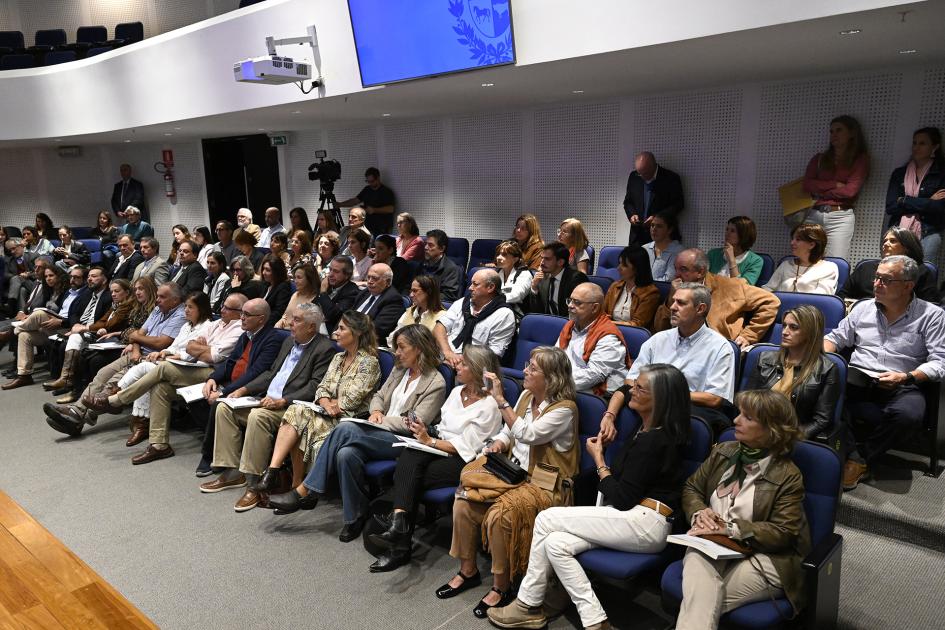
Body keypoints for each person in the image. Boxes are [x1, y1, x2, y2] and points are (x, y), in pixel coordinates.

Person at [488, 364, 691, 630]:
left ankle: (527, 604)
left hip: (645, 521)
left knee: (546, 518)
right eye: (635, 385)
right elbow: (622, 390)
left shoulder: (655, 440)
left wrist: (598, 460)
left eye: (641, 388)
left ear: (660, 399)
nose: (633, 391)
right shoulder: (646, 430)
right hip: (636, 518)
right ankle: (596, 621)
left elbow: (621, 498)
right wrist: (610, 415)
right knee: (556, 544)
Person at [268, 324, 446, 542]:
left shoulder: (435, 382)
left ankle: (305, 490)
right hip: (377, 429)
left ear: (419, 348)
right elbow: (379, 396)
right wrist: (377, 410)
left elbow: (417, 422)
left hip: (404, 441)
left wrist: (381, 422)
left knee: (345, 428)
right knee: (346, 454)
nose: (396, 353)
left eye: (401, 347)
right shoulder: (400, 369)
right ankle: (354, 517)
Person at [442, 346, 578, 619]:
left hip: (544, 484)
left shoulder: (565, 409)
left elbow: (528, 434)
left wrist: (501, 400)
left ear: (551, 377)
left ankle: (501, 587)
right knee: (464, 499)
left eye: (533, 368)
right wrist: (498, 444)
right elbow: (509, 432)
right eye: (526, 364)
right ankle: (468, 570)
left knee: (499, 515)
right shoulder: (527, 396)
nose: (525, 371)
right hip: (512, 473)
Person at [676, 389, 810, 630]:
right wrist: (700, 511)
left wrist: (730, 529)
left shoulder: (788, 475)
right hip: (711, 542)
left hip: (765, 556)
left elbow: (783, 532)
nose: (736, 420)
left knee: (700, 601)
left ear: (772, 429)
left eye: (748, 417)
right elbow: (692, 488)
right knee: (701, 590)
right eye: (739, 413)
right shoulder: (723, 452)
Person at [369, 346, 503, 572]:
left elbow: (467, 447)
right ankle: (399, 528)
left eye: (463, 364)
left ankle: (400, 539)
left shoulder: (490, 405)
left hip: (465, 461)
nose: (456, 366)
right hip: (438, 447)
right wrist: (426, 432)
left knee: (409, 475)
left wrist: (428, 441)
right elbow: (442, 429)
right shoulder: (456, 393)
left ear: (479, 370)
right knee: (410, 455)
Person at [198, 302, 336, 510]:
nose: (290, 323)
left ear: (311, 326)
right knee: (224, 406)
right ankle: (233, 471)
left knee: (257, 417)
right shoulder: (289, 342)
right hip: (265, 399)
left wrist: (283, 400)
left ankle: (254, 485)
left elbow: (315, 386)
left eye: (297, 320)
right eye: (291, 318)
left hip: (289, 407)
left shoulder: (324, 348)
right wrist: (244, 390)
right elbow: (270, 373)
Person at [825, 255, 945, 490]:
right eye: (876, 278)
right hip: (857, 378)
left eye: (886, 280)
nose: (877, 284)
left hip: (902, 382)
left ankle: (860, 456)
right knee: (824, 392)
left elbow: (940, 362)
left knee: (908, 414)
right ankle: (853, 455)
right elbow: (835, 338)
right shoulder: (863, 308)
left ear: (908, 285)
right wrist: (827, 358)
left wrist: (908, 376)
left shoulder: (932, 315)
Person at [91, 294, 254, 460]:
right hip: (194, 366)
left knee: (162, 368)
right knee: (160, 388)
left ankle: (117, 400)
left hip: (213, 373)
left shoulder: (238, 329)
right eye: (223, 306)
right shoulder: (216, 324)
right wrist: (198, 348)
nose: (222, 310)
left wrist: (199, 348)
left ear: (240, 312)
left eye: (228, 308)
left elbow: (215, 357)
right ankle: (159, 445)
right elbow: (190, 346)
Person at [245, 311, 380, 502]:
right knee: (295, 412)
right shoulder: (338, 358)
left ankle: (299, 488)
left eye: (341, 328)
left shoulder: (369, 362)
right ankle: (275, 473)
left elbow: (351, 401)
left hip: (347, 421)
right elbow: (321, 388)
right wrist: (326, 401)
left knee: (299, 421)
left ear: (357, 332)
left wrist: (330, 402)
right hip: (326, 412)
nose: (336, 332)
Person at [42, 282, 187, 436]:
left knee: (115, 380)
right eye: (157, 296)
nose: (157, 300)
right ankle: (76, 416)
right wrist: (136, 347)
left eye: (162, 297)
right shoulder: (158, 310)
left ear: (176, 300)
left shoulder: (180, 315)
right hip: (138, 352)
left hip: (154, 358)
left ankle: (77, 414)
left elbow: (161, 343)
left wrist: (137, 338)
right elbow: (138, 334)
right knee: (103, 373)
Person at [98, 292, 215, 447]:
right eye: (185, 306)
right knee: (151, 378)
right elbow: (174, 346)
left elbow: (197, 353)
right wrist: (163, 352)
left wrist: (174, 356)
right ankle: (140, 423)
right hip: (174, 362)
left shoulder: (207, 326)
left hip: (194, 368)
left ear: (201, 309)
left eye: (190, 307)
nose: (186, 310)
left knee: (145, 367)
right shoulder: (187, 325)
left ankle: (117, 395)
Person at [619, 283, 736, 434]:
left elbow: (714, 398)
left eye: (681, 303)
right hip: (650, 402)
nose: (673, 307)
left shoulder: (720, 348)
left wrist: (663, 393)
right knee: (622, 397)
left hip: (686, 410)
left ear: (700, 309)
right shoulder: (658, 339)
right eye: (673, 301)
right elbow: (630, 379)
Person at [4, 266, 112, 390]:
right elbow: (74, 313)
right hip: (65, 327)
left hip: (72, 328)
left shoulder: (102, 295)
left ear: (104, 280)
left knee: (37, 316)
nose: (89, 279)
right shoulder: (83, 294)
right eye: (89, 277)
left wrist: (70, 324)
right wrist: (75, 324)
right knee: (25, 336)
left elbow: (102, 320)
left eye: (93, 276)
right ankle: (24, 375)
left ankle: (12, 332)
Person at [746, 305, 842, 438]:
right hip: (757, 430)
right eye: (784, 325)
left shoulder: (827, 369)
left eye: (793, 327)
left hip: (792, 438)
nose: (784, 332)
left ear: (810, 332)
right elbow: (747, 401)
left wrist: (790, 438)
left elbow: (821, 420)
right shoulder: (764, 358)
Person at [654, 249, 780, 348]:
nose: (677, 275)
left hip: (717, 349)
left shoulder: (730, 286)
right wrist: (671, 296)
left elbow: (771, 301)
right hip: (680, 345)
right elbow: (659, 328)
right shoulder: (676, 290)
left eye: (683, 269)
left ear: (701, 272)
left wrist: (749, 335)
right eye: (676, 268)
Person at [42, 278, 134, 394]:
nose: (113, 294)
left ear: (127, 292)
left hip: (117, 341)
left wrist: (88, 328)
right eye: (112, 292)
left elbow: (110, 324)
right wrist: (96, 328)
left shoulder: (128, 307)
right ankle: (68, 381)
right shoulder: (115, 305)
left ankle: (73, 387)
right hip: (104, 337)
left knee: (85, 355)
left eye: (117, 291)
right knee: (74, 339)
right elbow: (102, 321)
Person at [803, 115, 870, 260]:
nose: (834, 135)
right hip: (814, 214)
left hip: (840, 217)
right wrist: (834, 185)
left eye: (839, 130)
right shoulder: (819, 158)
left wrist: (821, 192)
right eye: (831, 131)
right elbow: (807, 184)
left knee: (836, 262)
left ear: (852, 133)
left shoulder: (859, 159)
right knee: (806, 259)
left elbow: (850, 191)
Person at [885, 127, 945, 262]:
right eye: (915, 143)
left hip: (928, 233)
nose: (916, 147)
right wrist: (928, 201)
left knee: (923, 275)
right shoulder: (899, 174)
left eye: (922, 143)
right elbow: (891, 207)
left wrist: (904, 200)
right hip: (898, 232)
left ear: (935, 147)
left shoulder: (941, 174)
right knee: (894, 273)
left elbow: (940, 208)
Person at [558, 282, 629, 395]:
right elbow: (556, 357)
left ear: (595, 307)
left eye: (577, 302)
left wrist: (555, 383)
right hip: (567, 384)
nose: (570, 305)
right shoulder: (570, 325)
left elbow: (594, 375)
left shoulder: (608, 337)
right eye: (570, 300)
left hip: (595, 392)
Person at [434, 268, 516, 366]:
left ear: (490, 287)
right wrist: (447, 352)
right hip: (445, 356)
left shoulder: (504, 315)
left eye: (475, 284)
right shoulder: (463, 302)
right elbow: (439, 327)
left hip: (474, 367)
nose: (470, 288)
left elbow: (494, 354)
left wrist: (462, 362)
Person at [838, 226, 940, 303]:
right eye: (885, 241)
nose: (886, 244)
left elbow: (930, 304)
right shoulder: (865, 267)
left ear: (907, 247)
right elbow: (842, 295)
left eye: (893, 241)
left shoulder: (920, 271)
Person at [623, 151, 685, 246]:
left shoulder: (671, 178)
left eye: (645, 173)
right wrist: (632, 215)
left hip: (663, 237)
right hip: (637, 237)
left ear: (654, 166)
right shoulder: (634, 176)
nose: (642, 177)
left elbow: (678, 204)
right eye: (640, 173)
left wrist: (657, 217)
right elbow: (628, 202)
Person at [763, 223, 838, 294]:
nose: (792, 243)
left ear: (811, 245)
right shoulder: (786, 265)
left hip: (809, 308)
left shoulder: (828, 268)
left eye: (798, 239)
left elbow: (822, 298)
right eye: (793, 239)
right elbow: (768, 289)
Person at [0, 265, 66, 344]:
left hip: (56, 324)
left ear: (59, 276)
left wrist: (31, 316)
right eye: (46, 276)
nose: (48, 278)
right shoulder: (49, 290)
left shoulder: (66, 292)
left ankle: (10, 333)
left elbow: (62, 313)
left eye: (51, 275)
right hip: (41, 322)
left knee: (38, 314)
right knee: (23, 335)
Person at [602, 245, 660, 330]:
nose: (618, 268)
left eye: (624, 265)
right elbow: (604, 314)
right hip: (610, 330)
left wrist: (609, 323)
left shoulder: (651, 293)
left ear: (637, 268)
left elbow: (638, 324)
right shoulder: (615, 286)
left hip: (633, 335)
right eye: (619, 263)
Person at [526, 241, 589, 316]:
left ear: (560, 262)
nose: (542, 262)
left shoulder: (576, 279)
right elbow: (537, 312)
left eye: (547, 259)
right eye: (542, 258)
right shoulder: (542, 277)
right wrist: (534, 288)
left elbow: (579, 312)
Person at [351, 263, 406, 344]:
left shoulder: (393, 299)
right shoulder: (365, 292)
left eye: (374, 278)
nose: (369, 281)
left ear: (387, 281)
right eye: (368, 277)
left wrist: (350, 334)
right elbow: (347, 315)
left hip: (366, 343)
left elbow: (378, 329)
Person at [387, 275, 446, 347]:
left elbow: (438, 348)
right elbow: (391, 339)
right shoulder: (410, 311)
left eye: (415, 291)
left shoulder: (442, 317)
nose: (411, 295)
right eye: (411, 291)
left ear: (428, 292)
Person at [337, 167, 396, 236]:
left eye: (372, 181)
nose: (370, 183)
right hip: (368, 227)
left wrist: (374, 210)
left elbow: (391, 209)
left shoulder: (386, 192)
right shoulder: (367, 189)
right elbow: (355, 200)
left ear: (378, 178)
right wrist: (340, 204)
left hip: (382, 228)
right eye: (368, 181)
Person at [707, 216, 764, 284]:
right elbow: (703, 279)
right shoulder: (713, 254)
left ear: (744, 235)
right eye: (727, 229)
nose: (727, 233)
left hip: (736, 294)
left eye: (732, 231)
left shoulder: (755, 261)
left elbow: (742, 287)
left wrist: (731, 260)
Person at [316, 255, 361, 332]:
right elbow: (313, 305)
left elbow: (332, 315)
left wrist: (323, 292)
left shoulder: (352, 292)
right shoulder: (328, 284)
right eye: (330, 270)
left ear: (347, 275)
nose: (330, 274)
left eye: (336, 271)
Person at [493, 240, 533, 322]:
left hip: (516, 316)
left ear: (515, 259)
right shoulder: (496, 273)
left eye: (504, 255)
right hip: (496, 311)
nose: (499, 258)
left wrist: (492, 299)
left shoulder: (524, 274)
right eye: (498, 254)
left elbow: (516, 295)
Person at [418, 229, 462, 301]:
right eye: (426, 244)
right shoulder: (421, 264)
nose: (426, 247)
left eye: (430, 245)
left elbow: (449, 295)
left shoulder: (451, 268)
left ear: (442, 248)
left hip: (437, 307)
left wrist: (425, 297)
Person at [643, 212, 685, 282]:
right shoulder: (644, 248)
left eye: (659, 226)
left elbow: (669, 279)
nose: (654, 229)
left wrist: (646, 285)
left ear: (670, 230)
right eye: (652, 225)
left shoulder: (679, 251)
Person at [276, 265, 319, 330]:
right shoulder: (295, 294)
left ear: (309, 279)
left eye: (299, 278)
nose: (295, 281)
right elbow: (285, 315)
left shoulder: (315, 300)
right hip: (283, 330)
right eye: (295, 278)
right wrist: (280, 322)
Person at [260, 255, 292, 327]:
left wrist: (261, 323)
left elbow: (278, 312)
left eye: (268, 270)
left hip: (269, 325)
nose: (263, 273)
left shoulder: (283, 287)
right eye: (263, 269)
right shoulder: (266, 284)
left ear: (277, 271)